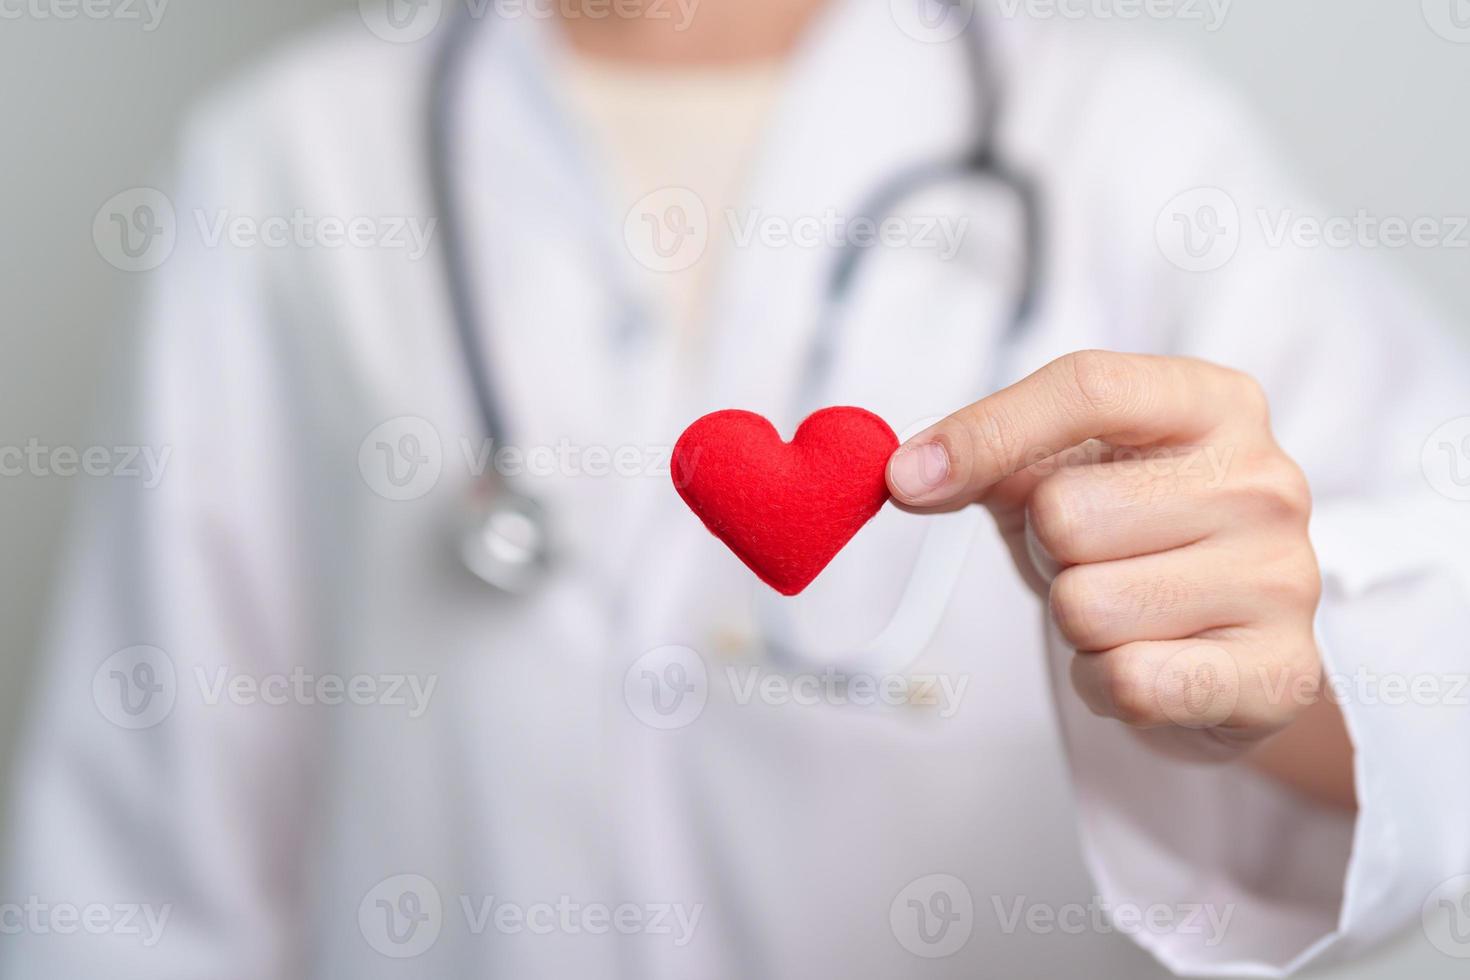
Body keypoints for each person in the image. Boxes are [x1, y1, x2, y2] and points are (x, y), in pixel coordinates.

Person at [4, 0, 1468, 976]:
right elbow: (142, 853)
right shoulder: (285, 163)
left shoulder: (1125, 144)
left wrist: (1277, 679)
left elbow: (1441, 669)